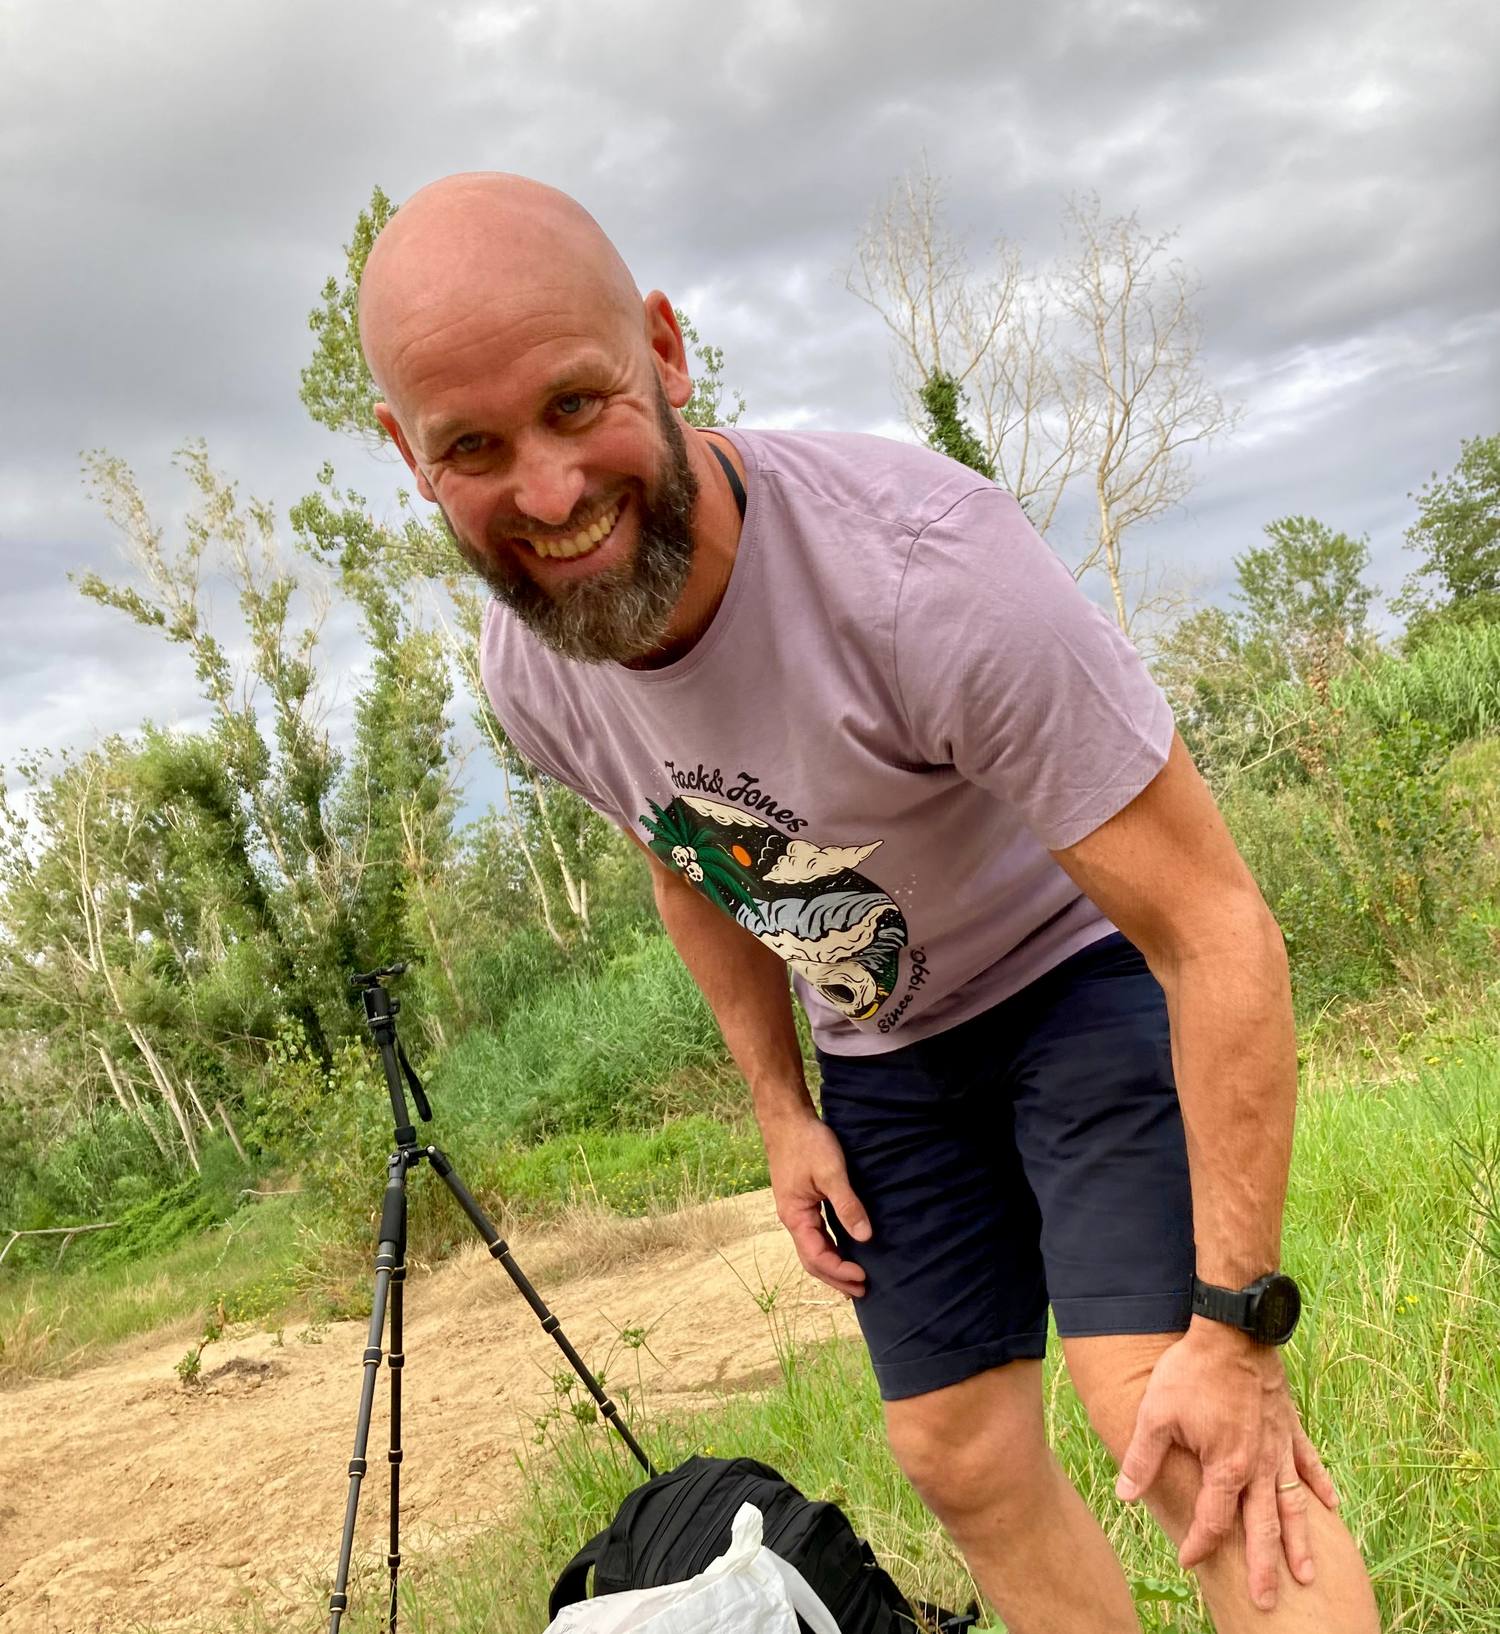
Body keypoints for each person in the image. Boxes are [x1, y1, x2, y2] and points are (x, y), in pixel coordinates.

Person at [357, 172, 1380, 1633]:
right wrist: (780, 1103)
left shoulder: (918, 570)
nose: (548, 493)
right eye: (474, 445)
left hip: (1077, 964)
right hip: (889, 1039)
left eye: (577, 406)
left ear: (665, 348)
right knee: (954, 1449)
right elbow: (683, 847)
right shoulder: (535, 666)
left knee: (1172, 1412)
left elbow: (1213, 924)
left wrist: (1239, 1328)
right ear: (410, 453)